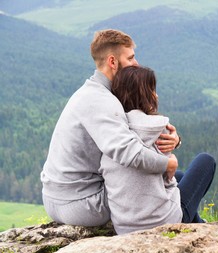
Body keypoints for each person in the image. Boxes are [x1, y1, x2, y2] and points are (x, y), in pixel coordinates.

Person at [40, 29, 180, 227]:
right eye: (130, 58)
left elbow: (139, 136)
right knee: (164, 180)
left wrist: (175, 141)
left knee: (169, 178)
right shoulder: (103, 101)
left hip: (62, 197)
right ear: (113, 62)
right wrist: (168, 165)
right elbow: (128, 151)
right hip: (81, 204)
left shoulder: (93, 92)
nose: (136, 63)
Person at [100, 65, 216, 234]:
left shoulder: (111, 129)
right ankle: (198, 226)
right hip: (161, 223)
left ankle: (199, 223)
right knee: (206, 161)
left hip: (124, 226)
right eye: (152, 90)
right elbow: (168, 180)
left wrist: (176, 142)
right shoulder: (157, 128)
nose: (156, 95)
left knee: (181, 176)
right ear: (145, 95)